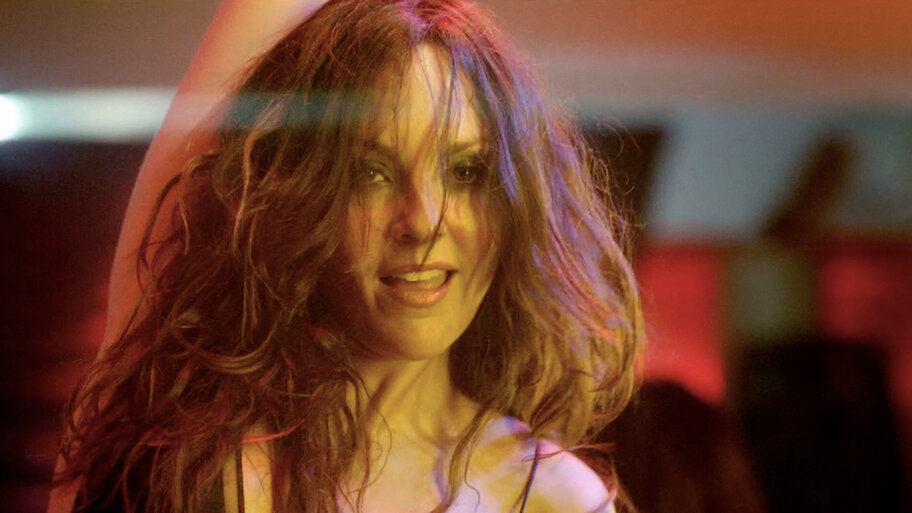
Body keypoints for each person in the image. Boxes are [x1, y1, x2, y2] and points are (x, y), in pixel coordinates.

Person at [49, 1, 643, 512]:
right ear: (300, 200)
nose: (423, 222)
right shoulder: (195, 472)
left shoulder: (560, 498)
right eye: (371, 172)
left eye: (466, 172)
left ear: (519, 208)